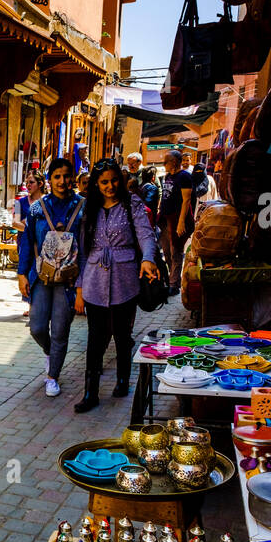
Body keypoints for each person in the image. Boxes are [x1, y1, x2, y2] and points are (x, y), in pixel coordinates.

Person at [73, 159, 160, 413]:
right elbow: (81, 250)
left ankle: (123, 379)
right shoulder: (89, 208)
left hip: (125, 278)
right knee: (95, 337)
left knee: (122, 334)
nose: (110, 186)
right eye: (103, 182)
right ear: (96, 184)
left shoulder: (132, 203)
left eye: (113, 181)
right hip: (93, 279)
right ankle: (91, 392)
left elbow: (145, 233)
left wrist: (147, 258)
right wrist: (79, 287)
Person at [18, 157, 85, 398]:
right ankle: (50, 353)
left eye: (67, 176)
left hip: (68, 279)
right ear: (49, 180)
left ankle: (52, 376)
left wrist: (80, 288)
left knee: (60, 330)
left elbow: (87, 249)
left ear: (73, 178)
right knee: (37, 327)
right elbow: (27, 241)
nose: (62, 181)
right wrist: (21, 274)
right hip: (41, 276)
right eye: (57, 176)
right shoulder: (37, 208)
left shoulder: (83, 208)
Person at [156, 149, 194, 295]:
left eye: (165, 162)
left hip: (177, 219)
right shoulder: (167, 176)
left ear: (173, 162)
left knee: (175, 251)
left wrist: (181, 222)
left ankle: (174, 285)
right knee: (166, 251)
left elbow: (187, 200)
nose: (163, 164)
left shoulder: (184, 176)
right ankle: (173, 279)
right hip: (166, 219)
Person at [13, 169, 46, 317]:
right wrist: (31, 227)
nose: (28, 185)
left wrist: (27, 225)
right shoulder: (20, 202)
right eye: (27, 183)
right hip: (25, 242)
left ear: (40, 184)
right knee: (26, 271)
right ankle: (31, 303)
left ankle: (39, 304)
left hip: (43, 244)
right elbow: (15, 223)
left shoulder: (47, 201)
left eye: (31, 182)